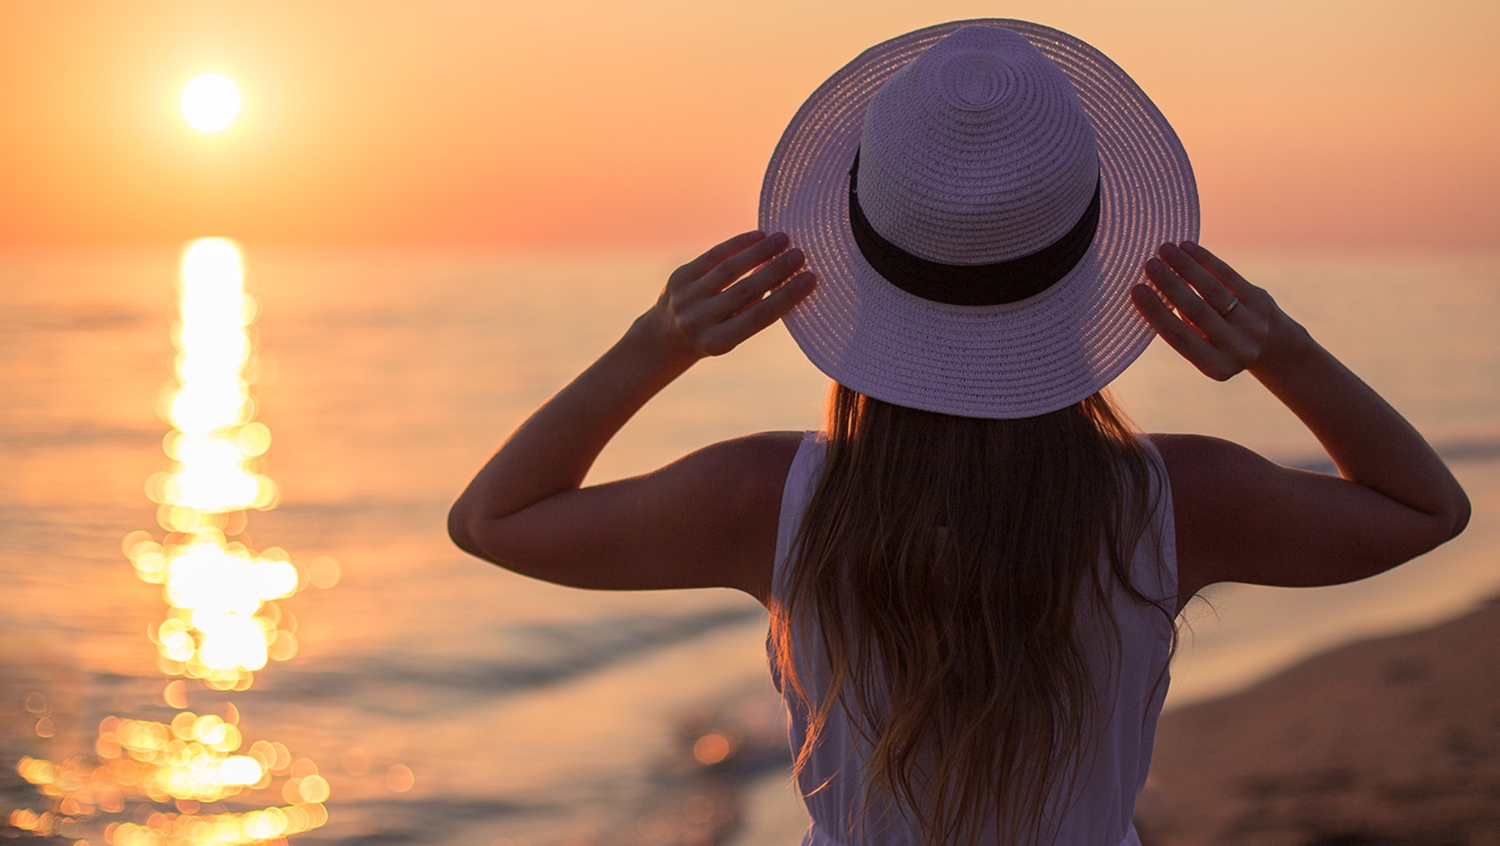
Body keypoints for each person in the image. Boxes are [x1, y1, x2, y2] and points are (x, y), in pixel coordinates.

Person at [449, 20, 1469, 846]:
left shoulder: (766, 500)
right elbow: (1424, 506)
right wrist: (1279, 349)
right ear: (1089, 268)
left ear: (855, 255)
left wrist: (655, 344)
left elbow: (495, 519)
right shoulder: (1176, 500)